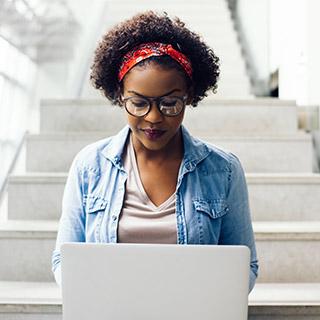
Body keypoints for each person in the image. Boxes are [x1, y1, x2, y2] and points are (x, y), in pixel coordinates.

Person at [52, 10, 258, 292]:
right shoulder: (90, 165)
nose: (153, 117)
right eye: (138, 103)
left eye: (170, 103)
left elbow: (245, 266)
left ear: (189, 96)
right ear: (119, 96)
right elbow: (63, 260)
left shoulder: (223, 170)